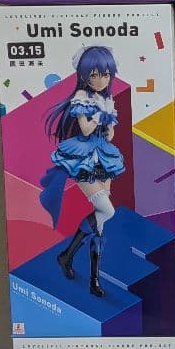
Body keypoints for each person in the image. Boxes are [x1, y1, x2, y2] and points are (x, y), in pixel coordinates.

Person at [39, 45, 124, 297]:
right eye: (94, 75)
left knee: (100, 223)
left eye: (105, 74)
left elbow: (109, 135)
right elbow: (85, 129)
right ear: (84, 75)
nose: (101, 80)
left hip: (103, 156)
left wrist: (109, 121)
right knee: (106, 210)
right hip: (84, 156)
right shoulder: (81, 96)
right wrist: (99, 116)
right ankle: (68, 257)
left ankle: (86, 273)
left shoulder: (107, 98)